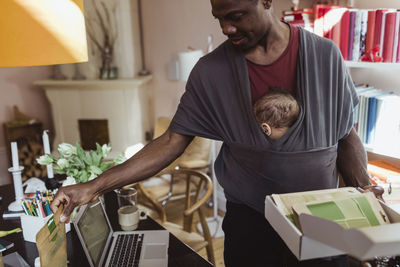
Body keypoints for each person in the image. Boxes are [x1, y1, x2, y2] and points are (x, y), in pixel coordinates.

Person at [51, 0, 383, 266]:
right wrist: (94, 186)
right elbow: (171, 141)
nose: (227, 28)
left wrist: (363, 187)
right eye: (219, 18)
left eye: (236, 16)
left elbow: (346, 134)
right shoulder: (212, 72)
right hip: (252, 224)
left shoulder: (325, 56)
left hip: (323, 219)